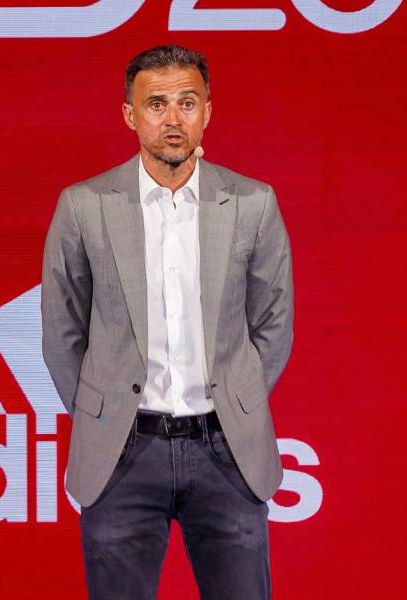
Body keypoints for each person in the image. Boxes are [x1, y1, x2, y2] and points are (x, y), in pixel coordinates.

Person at [41, 44, 294, 600]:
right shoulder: (84, 206)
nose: (173, 118)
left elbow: (274, 322)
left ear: (208, 111)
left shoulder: (253, 203)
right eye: (156, 104)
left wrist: (238, 403)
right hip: (123, 453)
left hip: (227, 451)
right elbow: (62, 332)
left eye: (187, 102)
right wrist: (102, 413)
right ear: (130, 115)